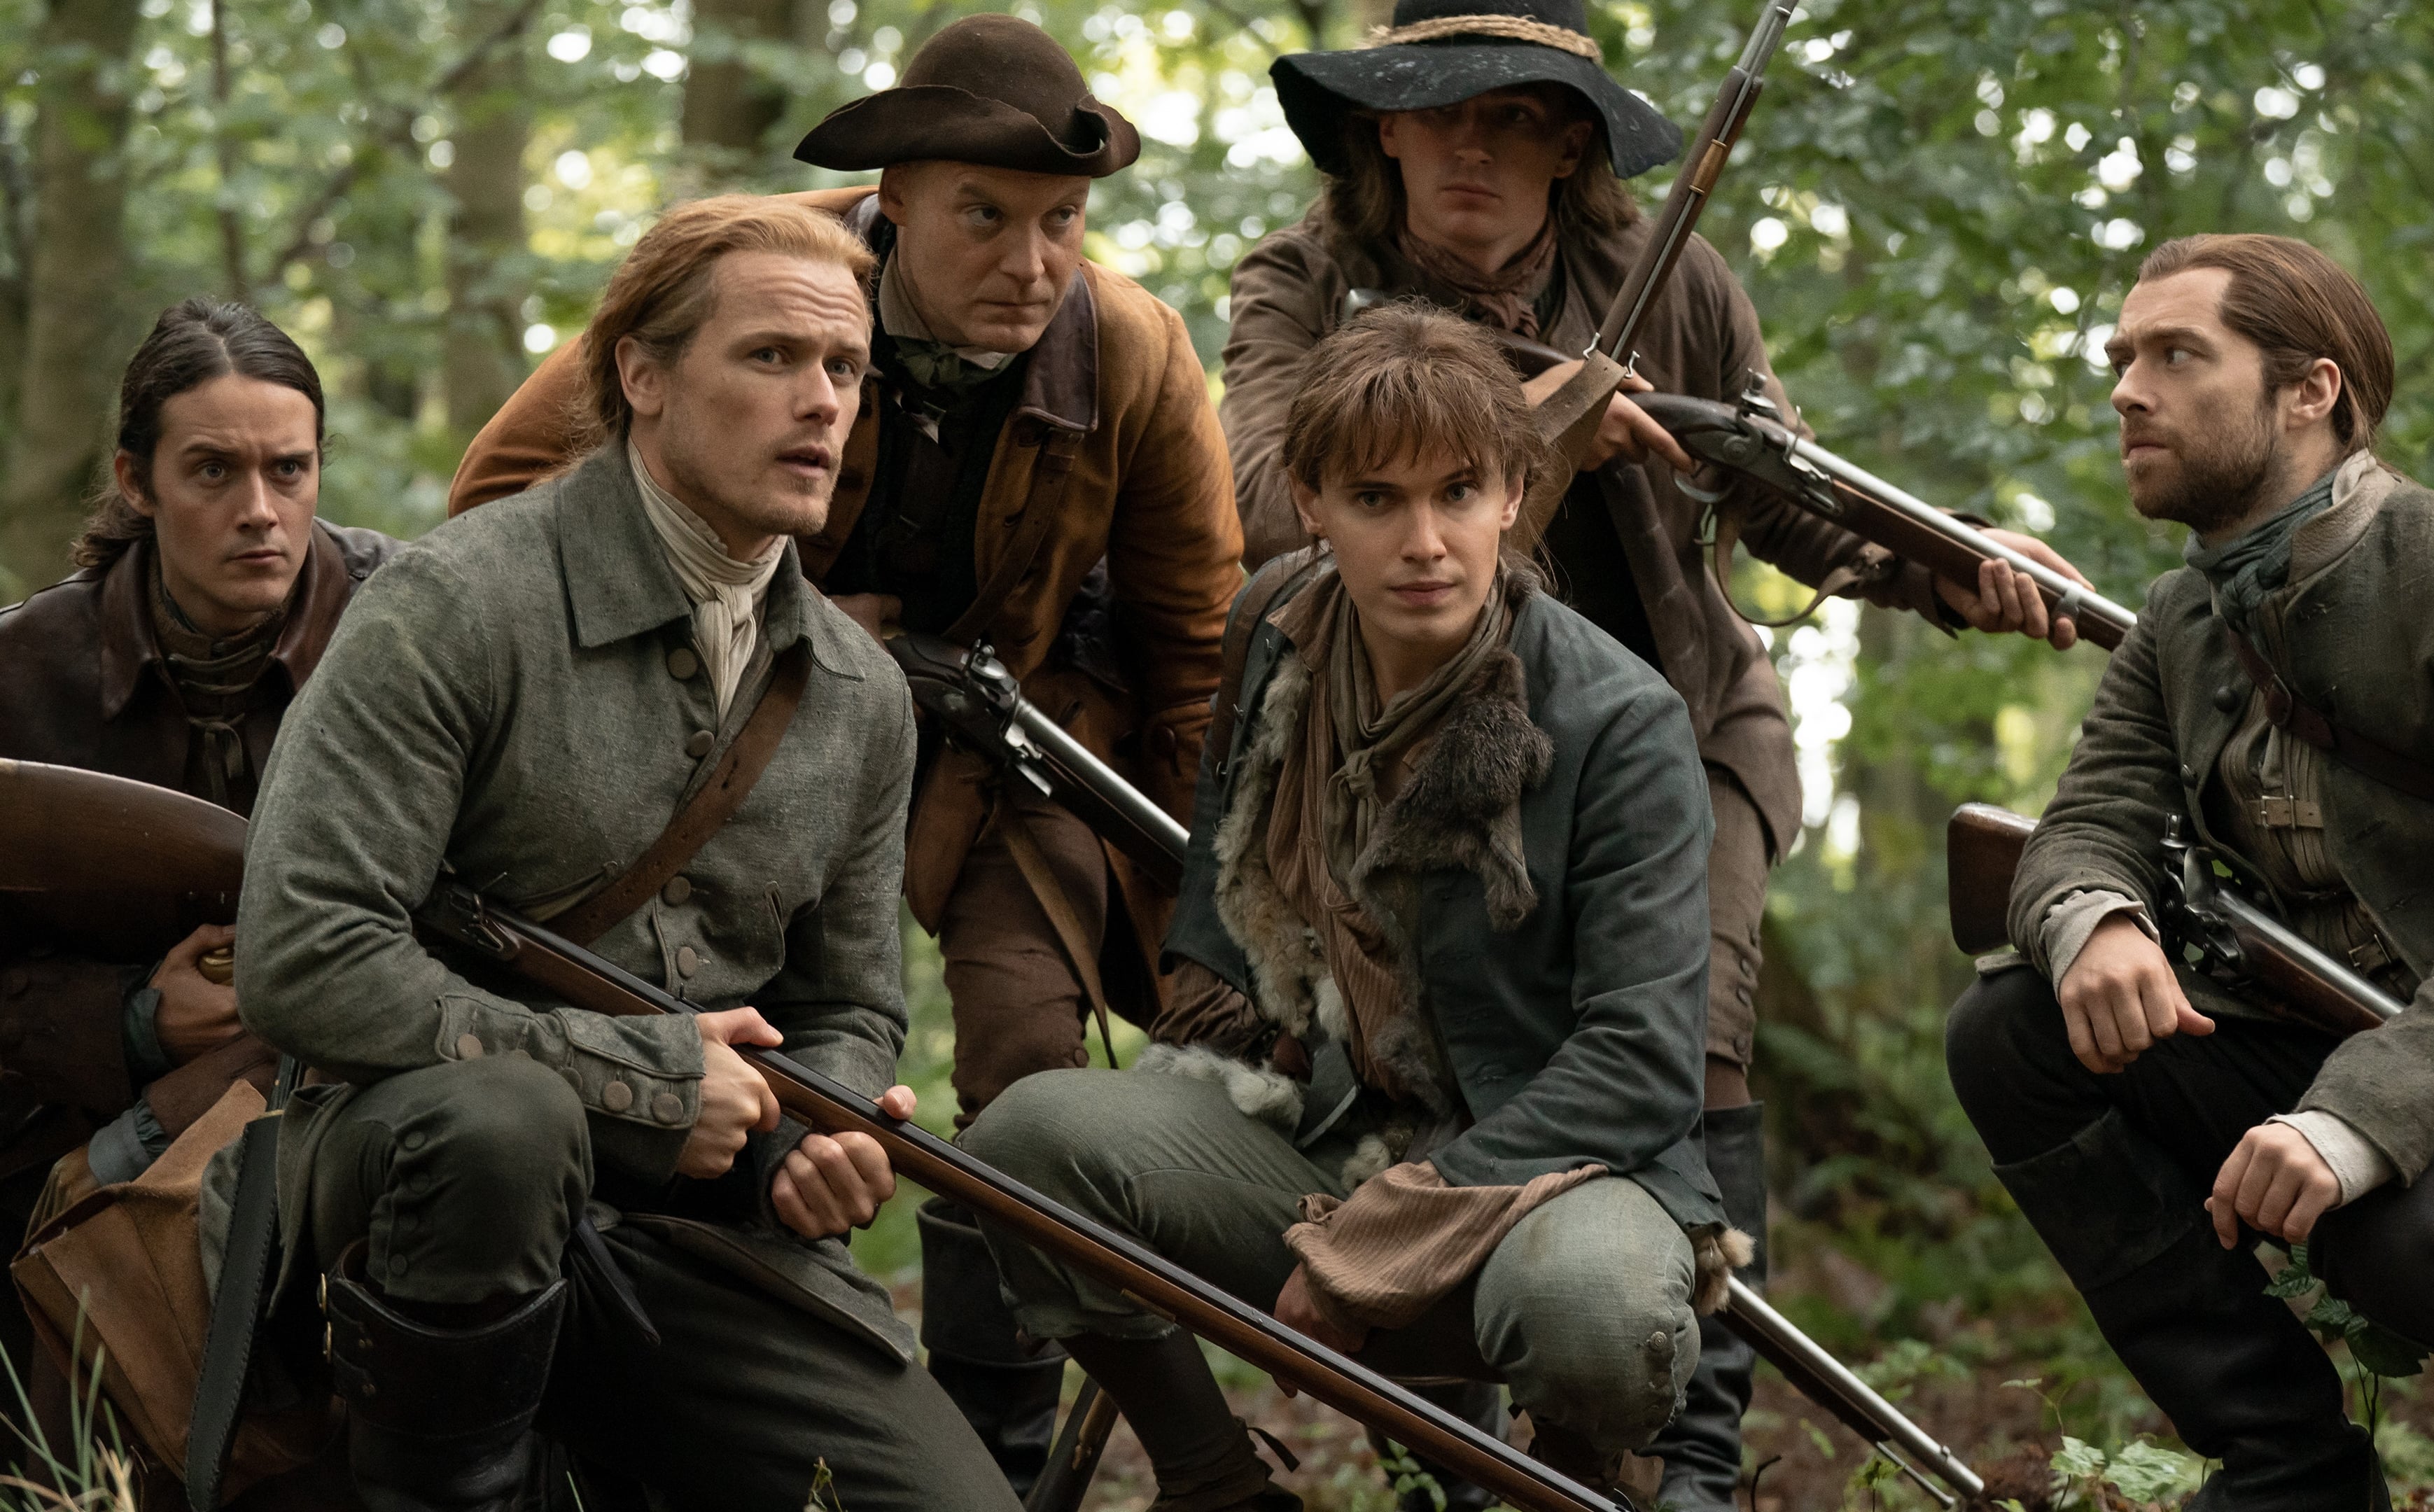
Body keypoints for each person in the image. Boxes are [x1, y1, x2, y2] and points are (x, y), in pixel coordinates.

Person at [1216, 3, 2087, 1502]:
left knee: (1697, 1042)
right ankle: (1459, 1445)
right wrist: (1546, 424)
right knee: (1426, 1071)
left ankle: (1683, 1453)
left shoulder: (1671, 278)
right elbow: (1263, 511)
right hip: (1403, 748)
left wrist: (1952, 565)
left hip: (1670, 729)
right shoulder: (1304, 282)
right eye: (1442, 110)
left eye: (1516, 116)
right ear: (1384, 127)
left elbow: (1785, 491)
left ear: (1573, 146)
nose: (1475, 146)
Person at [445, 18, 1243, 1485]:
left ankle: (995, 1450)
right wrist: (756, 605)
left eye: (1063, 221)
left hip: (1014, 743)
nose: (1032, 262)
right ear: (897, 197)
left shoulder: (1134, 351)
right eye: (984, 216)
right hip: (745, 717)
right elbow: (499, 497)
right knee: (693, 1020)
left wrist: (1207, 934)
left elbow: (1198, 647)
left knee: (1028, 1068)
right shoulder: (762, 283)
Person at [234, 196, 1016, 1512]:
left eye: (845, 369)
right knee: (507, 1124)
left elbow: (849, 1006)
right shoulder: (453, 603)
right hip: (414, 1176)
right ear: (642, 376)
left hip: (699, 1222)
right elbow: (305, 953)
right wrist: (644, 1081)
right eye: (772, 357)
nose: (822, 403)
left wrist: (807, 1133)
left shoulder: (862, 693)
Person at [1945, 233, 2434, 1510]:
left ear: (2310, 391)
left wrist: (2350, 1124)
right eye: (2123, 357)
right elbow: (2087, 823)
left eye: (2177, 355)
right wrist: (2096, 919)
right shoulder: (2186, 617)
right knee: (2011, 1033)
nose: (2126, 390)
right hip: (2352, 1017)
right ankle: (2289, 1468)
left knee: (2405, 1234)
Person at [966, 305, 1735, 1511]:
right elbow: (1223, 903)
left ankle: (1572, 1487)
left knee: (1595, 1310)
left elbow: (1641, 1068)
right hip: (1328, 1131)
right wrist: (1228, 1061)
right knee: (1023, 1144)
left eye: (1458, 493)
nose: (1424, 543)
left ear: (1512, 494)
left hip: (1555, 1176)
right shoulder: (1276, 624)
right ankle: (1216, 1488)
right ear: (1313, 503)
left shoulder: (1622, 721)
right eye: (1376, 499)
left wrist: (1379, 1236)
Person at [0, 299, 392, 1492]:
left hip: (367, 1095)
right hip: (67, 1130)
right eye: (214, 471)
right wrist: (132, 1020)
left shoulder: (419, 629)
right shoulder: (21, 676)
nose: (260, 510)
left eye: (290, 469)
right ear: (138, 481)